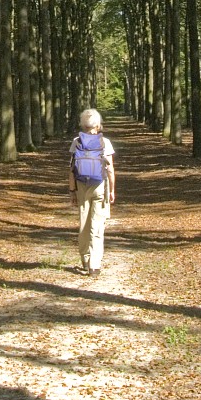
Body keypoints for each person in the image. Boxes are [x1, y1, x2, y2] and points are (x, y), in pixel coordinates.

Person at [68, 108, 115, 278]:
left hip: (82, 186)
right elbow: (110, 170)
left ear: (83, 124)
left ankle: (85, 259)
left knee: (84, 224)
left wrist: (72, 191)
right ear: (98, 124)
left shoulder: (76, 142)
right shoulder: (105, 142)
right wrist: (112, 190)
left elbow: (71, 170)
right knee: (97, 225)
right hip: (100, 186)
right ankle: (95, 265)